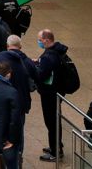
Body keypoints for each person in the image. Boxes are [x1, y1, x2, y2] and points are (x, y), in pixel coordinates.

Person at [0, 36, 34, 166]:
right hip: (20, 103)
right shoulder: (26, 61)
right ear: (20, 46)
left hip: (1, 103)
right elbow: (37, 76)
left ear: (7, 45)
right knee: (18, 132)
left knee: (1, 129)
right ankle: (18, 159)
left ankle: (1, 157)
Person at [35, 29, 68, 163]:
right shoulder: (57, 51)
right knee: (55, 121)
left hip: (49, 94)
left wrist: (36, 67)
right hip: (57, 91)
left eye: (40, 40)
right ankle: (56, 146)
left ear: (47, 40)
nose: (39, 42)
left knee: (51, 122)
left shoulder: (48, 57)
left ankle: (55, 152)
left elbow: (41, 75)